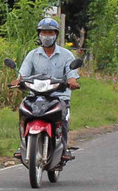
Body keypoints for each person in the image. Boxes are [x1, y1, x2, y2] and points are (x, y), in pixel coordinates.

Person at [12, 17, 81, 161]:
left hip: (59, 96)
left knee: (61, 117)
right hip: (36, 95)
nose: (47, 36)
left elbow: (71, 75)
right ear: (39, 34)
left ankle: (64, 147)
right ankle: (23, 144)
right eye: (44, 32)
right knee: (23, 111)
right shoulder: (32, 55)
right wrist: (18, 81)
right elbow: (23, 74)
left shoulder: (66, 55)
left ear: (56, 34)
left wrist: (72, 81)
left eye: (50, 32)